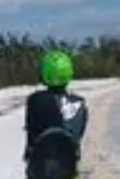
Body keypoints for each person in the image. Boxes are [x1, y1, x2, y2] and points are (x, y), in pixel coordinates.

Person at [24, 50, 88, 179]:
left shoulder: (35, 100)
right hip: (69, 168)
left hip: (39, 169)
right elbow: (78, 135)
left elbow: (31, 132)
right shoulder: (80, 103)